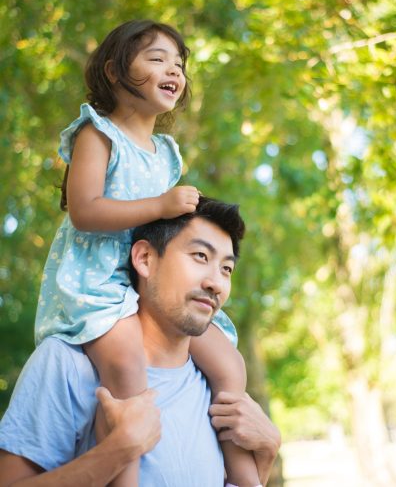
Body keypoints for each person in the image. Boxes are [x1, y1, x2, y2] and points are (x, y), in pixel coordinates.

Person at [32, 20, 259, 486]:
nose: (173, 69)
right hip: (98, 282)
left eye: (179, 63)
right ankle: (126, 478)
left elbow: (166, 236)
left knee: (230, 364)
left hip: (148, 283)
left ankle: (245, 477)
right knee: (128, 365)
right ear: (115, 72)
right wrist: (159, 204)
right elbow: (84, 210)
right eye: (156, 58)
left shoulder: (165, 152)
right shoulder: (97, 134)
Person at [0, 197, 281, 486]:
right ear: (145, 259)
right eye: (200, 256)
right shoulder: (66, 364)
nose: (216, 283)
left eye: (226, 269)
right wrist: (115, 452)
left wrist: (267, 454)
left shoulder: (215, 385)